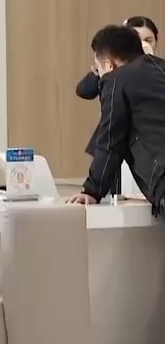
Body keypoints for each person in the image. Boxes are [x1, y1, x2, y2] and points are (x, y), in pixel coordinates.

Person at [67, 25, 165, 214]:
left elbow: (111, 140)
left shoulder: (116, 80)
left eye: (98, 68)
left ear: (109, 65)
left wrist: (92, 190)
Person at [76, 16, 157, 101]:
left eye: (148, 40)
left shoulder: (160, 69)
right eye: (138, 39)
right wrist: (99, 69)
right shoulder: (112, 67)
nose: (143, 45)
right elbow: (84, 91)